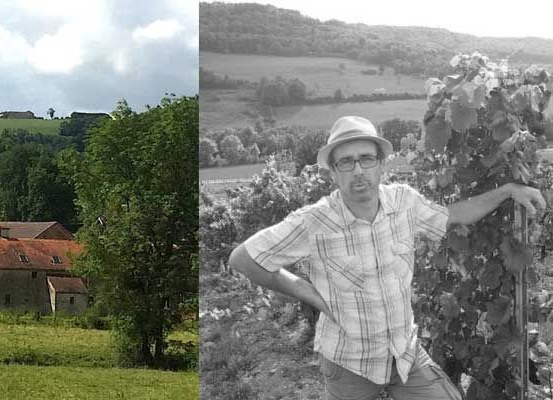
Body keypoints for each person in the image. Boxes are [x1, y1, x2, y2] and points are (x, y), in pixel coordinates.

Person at [228, 116, 547, 400]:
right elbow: (243, 258)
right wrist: (308, 292)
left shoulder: (404, 202)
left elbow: (452, 214)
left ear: (381, 164)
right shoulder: (314, 221)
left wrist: (507, 190)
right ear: (333, 173)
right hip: (348, 363)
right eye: (346, 162)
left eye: (366, 159)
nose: (357, 172)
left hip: (404, 354)